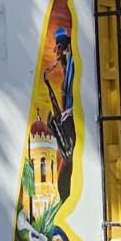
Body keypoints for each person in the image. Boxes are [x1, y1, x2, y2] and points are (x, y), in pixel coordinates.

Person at [44, 25, 77, 201]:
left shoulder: (74, 63)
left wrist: (71, 110)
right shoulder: (67, 64)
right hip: (67, 122)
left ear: (65, 46)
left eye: (58, 47)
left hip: (72, 122)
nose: (56, 52)